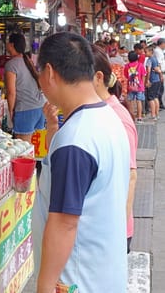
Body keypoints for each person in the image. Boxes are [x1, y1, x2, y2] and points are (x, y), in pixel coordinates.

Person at [32, 32, 130, 292]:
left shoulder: (76, 140)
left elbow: (64, 223)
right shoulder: (109, 118)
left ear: (50, 73)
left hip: (76, 279)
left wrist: (44, 284)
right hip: (103, 272)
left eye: (38, 73)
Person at [92, 44, 138, 253]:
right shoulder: (96, 112)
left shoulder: (117, 117)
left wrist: (117, 232)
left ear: (98, 78)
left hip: (112, 233)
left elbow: (130, 176)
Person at [4, 33, 45, 142]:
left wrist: (11, 111)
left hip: (25, 110)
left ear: (11, 45)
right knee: (31, 147)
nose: (6, 44)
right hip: (39, 107)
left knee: (23, 148)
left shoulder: (11, 65)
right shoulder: (28, 60)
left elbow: (11, 93)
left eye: (7, 42)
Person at [124, 50, 147, 123]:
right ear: (137, 57)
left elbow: (126, 76)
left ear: (129, 58)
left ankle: (132, 117)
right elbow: (143, 76)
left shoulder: (126, 66)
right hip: (139, 87)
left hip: (130, 86)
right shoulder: (140, 65)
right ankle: (139, 118)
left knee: (130, 102)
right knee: (138, 101)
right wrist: (142, 84)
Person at [144, 45, 161, 120]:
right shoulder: (155, 59)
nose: (145, 53)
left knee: (151, 98)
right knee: (155, 97)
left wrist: (147, 80)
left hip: (152, 80)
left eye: (146, 52)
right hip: (157, 80)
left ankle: (153, 115)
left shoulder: (149, 60)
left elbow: (148, 71)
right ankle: (157, 114)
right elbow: (158, 68)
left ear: (151, 51)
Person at [154, 38, 165, 109]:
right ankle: (160, 103)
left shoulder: (160, 51)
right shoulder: (157, 51)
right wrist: (161, 74)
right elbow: (159, 64)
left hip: (161, 72)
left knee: (161, 88)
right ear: (162, 44)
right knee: (160, 89)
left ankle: (160, 103)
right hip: (160, 72)